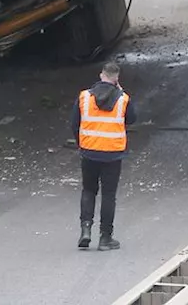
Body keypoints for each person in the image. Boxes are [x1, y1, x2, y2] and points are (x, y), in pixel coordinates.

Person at [70, 62, 137, 250]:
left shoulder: (84, 97)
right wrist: (122, 91)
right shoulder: (123, 98)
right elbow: (132, 119)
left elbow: (74, 123)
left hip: (89, 152)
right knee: (108, 195)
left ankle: (85, 230)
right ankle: (105, 238)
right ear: (116, 78)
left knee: (89, 190)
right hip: (112, 154)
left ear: (101, 75)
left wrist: (82, 143)